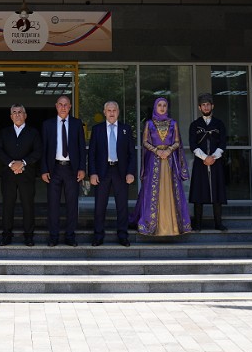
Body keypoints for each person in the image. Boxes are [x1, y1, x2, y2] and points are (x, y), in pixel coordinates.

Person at [131, 97, 192, 236]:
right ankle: (151, 225)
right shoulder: (149, 124)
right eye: (160, 105)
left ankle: (173, 226)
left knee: (171, 190)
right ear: (155, 107)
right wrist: (157, 151)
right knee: (153, 190)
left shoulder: (173, 123)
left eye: (165, 105)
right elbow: (145, 142)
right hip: (154, 161)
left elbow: (177, 142)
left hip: (170, 162)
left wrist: (168, 150)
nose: (162, 108)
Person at [88, 101, 136, 247]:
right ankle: (98, 235)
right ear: (104, 112)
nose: (111, 113)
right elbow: (92, 154)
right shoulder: (97, 129)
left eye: (114, 110)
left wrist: (130, 172)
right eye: (108, 110)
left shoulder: (126, 129)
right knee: (100, 206)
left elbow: (132, 154)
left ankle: (122, 235)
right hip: (102, 171)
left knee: (122, 205)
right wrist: (93, 173)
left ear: (118, 111)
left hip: (120, 172)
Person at [41, 95, 86, 247]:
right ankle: (53, 236)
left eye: (66, 104)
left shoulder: (77, 123)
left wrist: (81, 168)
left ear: (70, 106)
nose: (63, 107)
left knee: (72, 204)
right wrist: (44, 169)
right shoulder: (48, 124)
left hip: (71, 169)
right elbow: (44, 149)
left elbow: (81, 148)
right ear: (56, 106)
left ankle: (70, 236)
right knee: (53, 205)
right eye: (60, 104)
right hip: (54, 169)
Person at [0, 104, 42, 247]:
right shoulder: (4, 132)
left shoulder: (33, 133)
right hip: (8, 175)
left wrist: (22, 163)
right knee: (8, 205)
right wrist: (11, 164)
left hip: (26, 174)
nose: (17, 115)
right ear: (10, 116)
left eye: (20, 112)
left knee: (28, 205)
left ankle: (28, 236)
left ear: (25, 115)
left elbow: (38, 152)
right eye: (14, 112)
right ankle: (6, 235)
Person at [188, 93, 229, 231]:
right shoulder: (195, 125)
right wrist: (204, 157)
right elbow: (193, 144)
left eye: (208, 104)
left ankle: (218, 223)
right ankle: (198, 224)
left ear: (212, 106)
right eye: (203, 105)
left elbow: (223, 143)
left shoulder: (219, 124)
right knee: (199, 191)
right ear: (200, 107)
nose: (206, 107)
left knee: (216, 191)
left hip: (216, 162)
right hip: (201, 162)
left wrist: (214, 157)